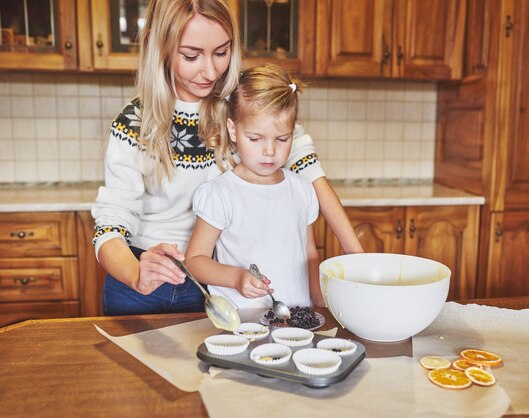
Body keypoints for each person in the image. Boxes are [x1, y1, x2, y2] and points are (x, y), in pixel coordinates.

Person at [91, 0, 362, 315]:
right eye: (191, 56)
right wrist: (136, 274)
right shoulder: (134, 122)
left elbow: (310, 172)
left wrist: (357, 258)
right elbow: (110, 224)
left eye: (221, 53)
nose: (210, 71)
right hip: (140, 287)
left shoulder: (240, 106)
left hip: (211, 288)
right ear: (158, 45)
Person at [185, 64, 323, 309]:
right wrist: (236, 278)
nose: (269, 151)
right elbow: (195, 261)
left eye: (282, 139)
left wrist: (320, 304)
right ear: (233, 131)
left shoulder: (303, 190)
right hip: (241, 324)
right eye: (256, 138)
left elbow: (310, 255)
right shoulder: (220, 194)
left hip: (297, 322)